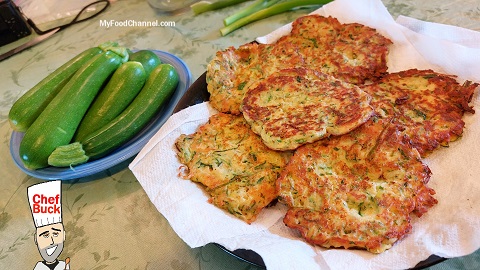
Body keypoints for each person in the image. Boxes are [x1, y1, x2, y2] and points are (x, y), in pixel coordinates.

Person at [27, 181, 70, 270]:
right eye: (45, 235)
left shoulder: (64, 265)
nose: (51, 241)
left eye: (55, 234)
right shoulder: (38, 268)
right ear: (36, 239)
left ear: (64, 235)